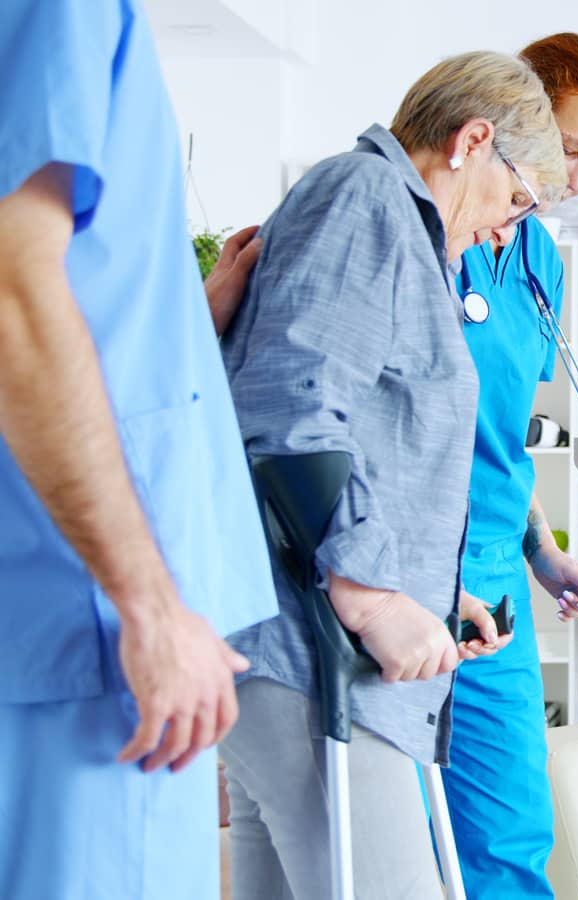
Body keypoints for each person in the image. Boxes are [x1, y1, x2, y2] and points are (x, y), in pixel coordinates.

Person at [216, 51, 566, 900]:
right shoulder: (367, 198)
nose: (507, 231)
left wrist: (429, 595)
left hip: (298, 653)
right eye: (518, 200)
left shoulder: (398, 229)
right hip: (312, 662)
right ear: (473, 141)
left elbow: (369, 436)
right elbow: (293, 413)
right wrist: (372, 600)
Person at [0, 0, 279, 896]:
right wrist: (151, 608)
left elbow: (86, 302)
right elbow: (16, 298)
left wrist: (189, 314)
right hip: (88, 625)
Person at [442, 33, 578, 900]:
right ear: (515, 119)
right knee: (396, 841)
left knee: (513, 838)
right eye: (571, 151)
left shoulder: (540, 258)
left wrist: (542, 549)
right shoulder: (433, 230)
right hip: (412, 571)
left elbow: (503, 434)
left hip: (497, 581)